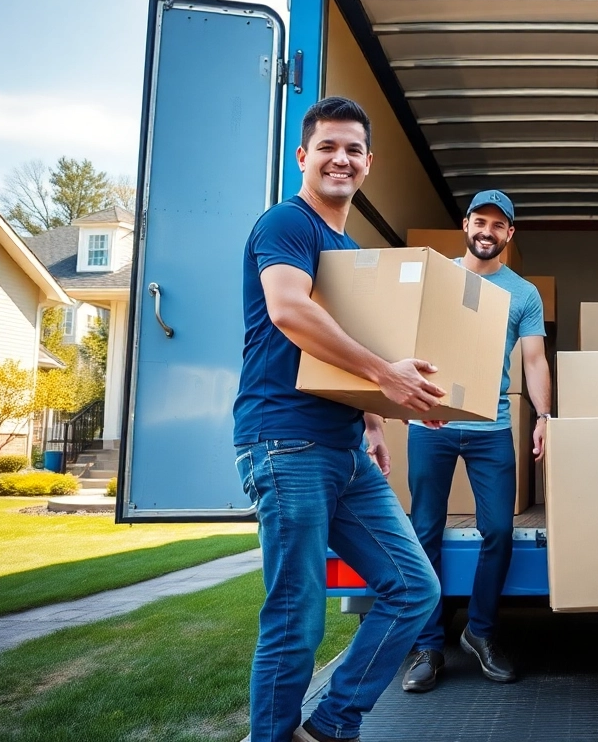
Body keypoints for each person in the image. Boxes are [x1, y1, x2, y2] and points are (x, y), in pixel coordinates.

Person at [232, 96, 443, 742]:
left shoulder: (347, 250)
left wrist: (375, 420)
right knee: (297, 616)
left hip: (344, 449)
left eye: (353, 149)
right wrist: (384, 376)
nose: (340, 159)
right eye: (327, 146)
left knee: (414, 588)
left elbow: (341, 348)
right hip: (285, 441)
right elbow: (290, 313)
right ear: (303, 155)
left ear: (368, 162)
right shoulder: (286, 225)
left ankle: (330, 726)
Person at [400, 189, 551, 691]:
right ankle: (427, 645)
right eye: (479, 221)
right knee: (424, 531)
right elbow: (404, 338)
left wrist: (544, 415)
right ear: (466, 224)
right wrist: (401, 399)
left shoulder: (523, 294)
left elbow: (533, 360)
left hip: (490, 428)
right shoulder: (435, 276)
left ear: (510, 234)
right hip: (431, 425)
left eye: (498, 225)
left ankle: (481, 633)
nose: (487, 231)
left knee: (499, 532)